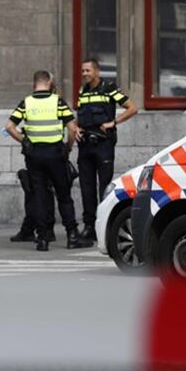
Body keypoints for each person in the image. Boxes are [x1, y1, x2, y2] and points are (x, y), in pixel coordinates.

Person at [4, 70, 93, 252]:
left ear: (34, 83)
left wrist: (25, 141)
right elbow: (71, 128)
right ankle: (72, 236)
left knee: (39, 196)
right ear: (49, 82)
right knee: (63, 195)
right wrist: (68, 147)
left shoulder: (26, 102)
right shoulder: (57, 101)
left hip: (34, 155)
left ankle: (42, 238)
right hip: (55, 154)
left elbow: (9, 126)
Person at [75, 59, 137, 240]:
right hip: (85, 144)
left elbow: (132, 108)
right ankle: (89, 226)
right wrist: (77, 128)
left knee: (104, 186)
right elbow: (81, 114)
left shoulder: (109, 88)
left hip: (103, 144)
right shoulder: (83, 91)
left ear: (97, 71)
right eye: (82, 71)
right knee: (86, 187)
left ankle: (105, 225)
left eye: (87, 70)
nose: (84, 74)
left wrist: (114, 122)